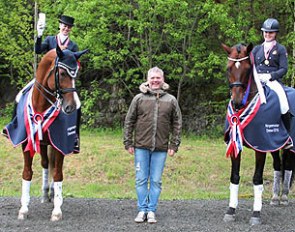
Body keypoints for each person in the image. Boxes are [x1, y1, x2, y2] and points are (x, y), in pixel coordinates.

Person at [123, 66, 182, 224]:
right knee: (141, 179)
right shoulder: (139, 98)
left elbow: (177, 123)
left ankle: (151, 211)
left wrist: (174, 144)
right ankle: (142, 209)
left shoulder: (170, 100)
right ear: (148, 80)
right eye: (152, 78)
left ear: (162, 80)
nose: (155, 80)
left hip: (161, 148)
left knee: (156, 181)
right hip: (141, 147)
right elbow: (129, 121)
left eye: (158, 78)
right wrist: (128, 142)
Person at [36, 14, 81, 152]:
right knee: (20, 96)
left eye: (68, 27)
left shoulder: (73, 46)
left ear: (70, 29)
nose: (66, 28)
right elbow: (37, 50)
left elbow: (76, 64)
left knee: (77, 105)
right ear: (59, 25)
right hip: (44, 80)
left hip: (63, 82)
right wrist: (39, 35)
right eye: (64, 25)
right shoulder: (50, 40)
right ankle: (14, 126)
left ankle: (75, 136)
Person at [251, 18, 292, 149]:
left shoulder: (280, 49)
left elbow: (284, 69)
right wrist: (256, 76)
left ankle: (288, 136)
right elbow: (250, 66)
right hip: (258, 80)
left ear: (275, 34)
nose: (268, 35)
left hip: (273, 81)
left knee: (284, 105)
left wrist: (270, 76)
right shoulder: (257, 49)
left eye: (271, 33)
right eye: (265, 32)